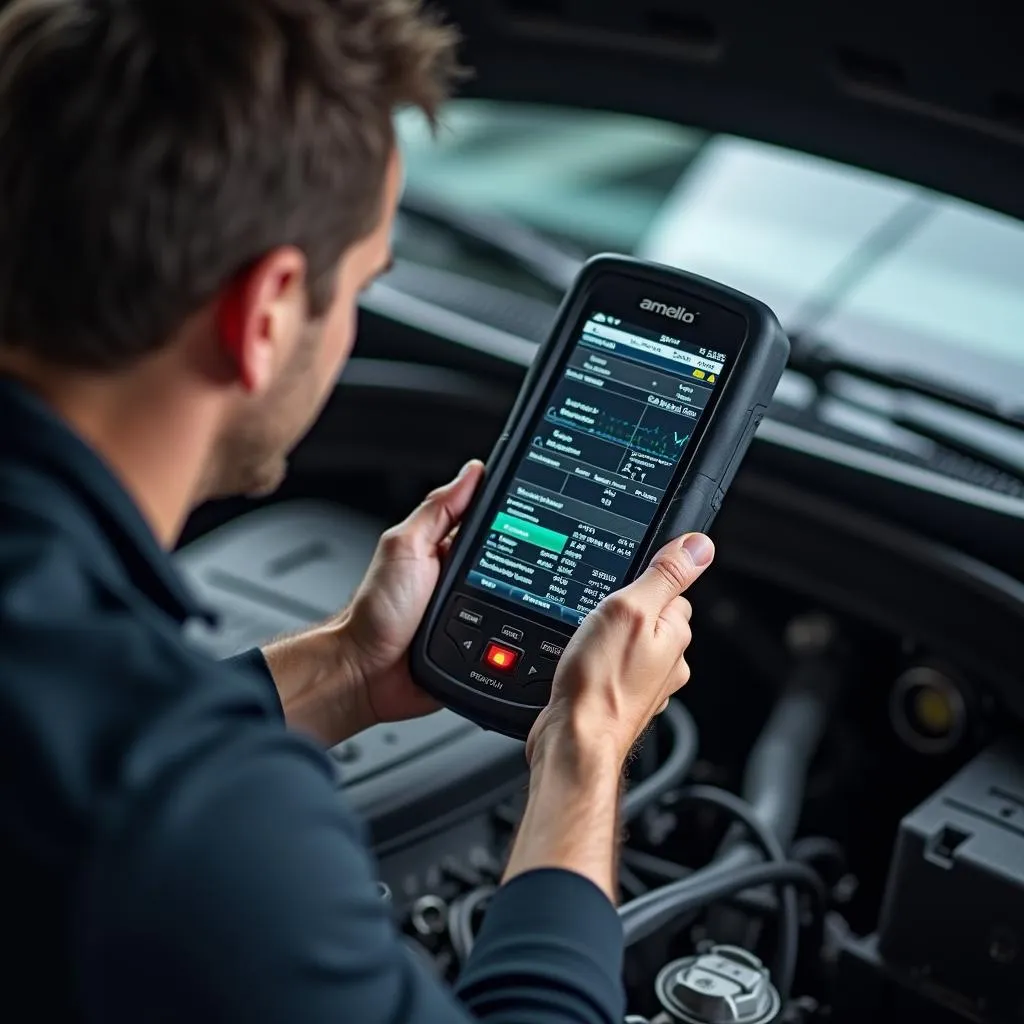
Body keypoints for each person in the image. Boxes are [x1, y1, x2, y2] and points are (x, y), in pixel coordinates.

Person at [0, 2, 715, 1022]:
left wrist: (342, 669)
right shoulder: (194, 826)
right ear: (267, 313)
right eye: (363, 287)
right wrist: (584, 747)